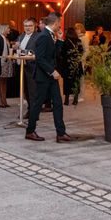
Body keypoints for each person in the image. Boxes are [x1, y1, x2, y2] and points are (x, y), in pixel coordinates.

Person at [25, 12, 71, 143]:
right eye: (59, 23)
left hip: (50, 77)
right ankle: (30, 131)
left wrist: (60, 40)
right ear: (55, 23)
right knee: (37, 104)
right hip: (43, 77)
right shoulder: (44, 36)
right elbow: (40, 58)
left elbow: (53, 54)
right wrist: (52, 71)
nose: (60, 26)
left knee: (57, 104)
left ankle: (61, 133)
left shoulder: (50, 35)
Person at [14, 18, 40, 118]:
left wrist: (24, 51)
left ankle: (34, 114)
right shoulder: (21, 36)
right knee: (26, 91)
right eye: (25, 26)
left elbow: (36, 51)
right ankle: (30, 111)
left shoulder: (38, 37)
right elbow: (18, 49)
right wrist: (16, 47)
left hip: (32, 67)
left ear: (34, 26)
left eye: (29, 26)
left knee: (33, 91)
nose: (27, 28)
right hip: (22, 67)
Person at [59, 27, 84, 106]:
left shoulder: (65, 42)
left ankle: (66, 100)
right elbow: (81, 52)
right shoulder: (79, 41)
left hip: (68, 65)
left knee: (67, 82)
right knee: (76, 82)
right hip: (77, 65)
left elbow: (62, 54)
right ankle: (75, 99)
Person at [73, 22, 89, 103]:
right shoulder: (76, 37)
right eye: (75, 28)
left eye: (77, 28)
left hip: (81, 61)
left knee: (81, 79)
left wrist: (81, 60)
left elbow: (86, 51)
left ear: (81, 29)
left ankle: (81, 95)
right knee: (75, 78)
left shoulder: (84, 37)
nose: (76, 30)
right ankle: (75, 94)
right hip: (75, 61)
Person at [0, 24, 12, 108]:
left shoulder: (5, 38)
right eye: (8, 28)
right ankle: (0, 101)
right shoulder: (1, 38)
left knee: (4, 82)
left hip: (6, 62)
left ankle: (4, 100)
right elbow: (3, 52)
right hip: (2, 62)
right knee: (0, 82)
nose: (9, 30)